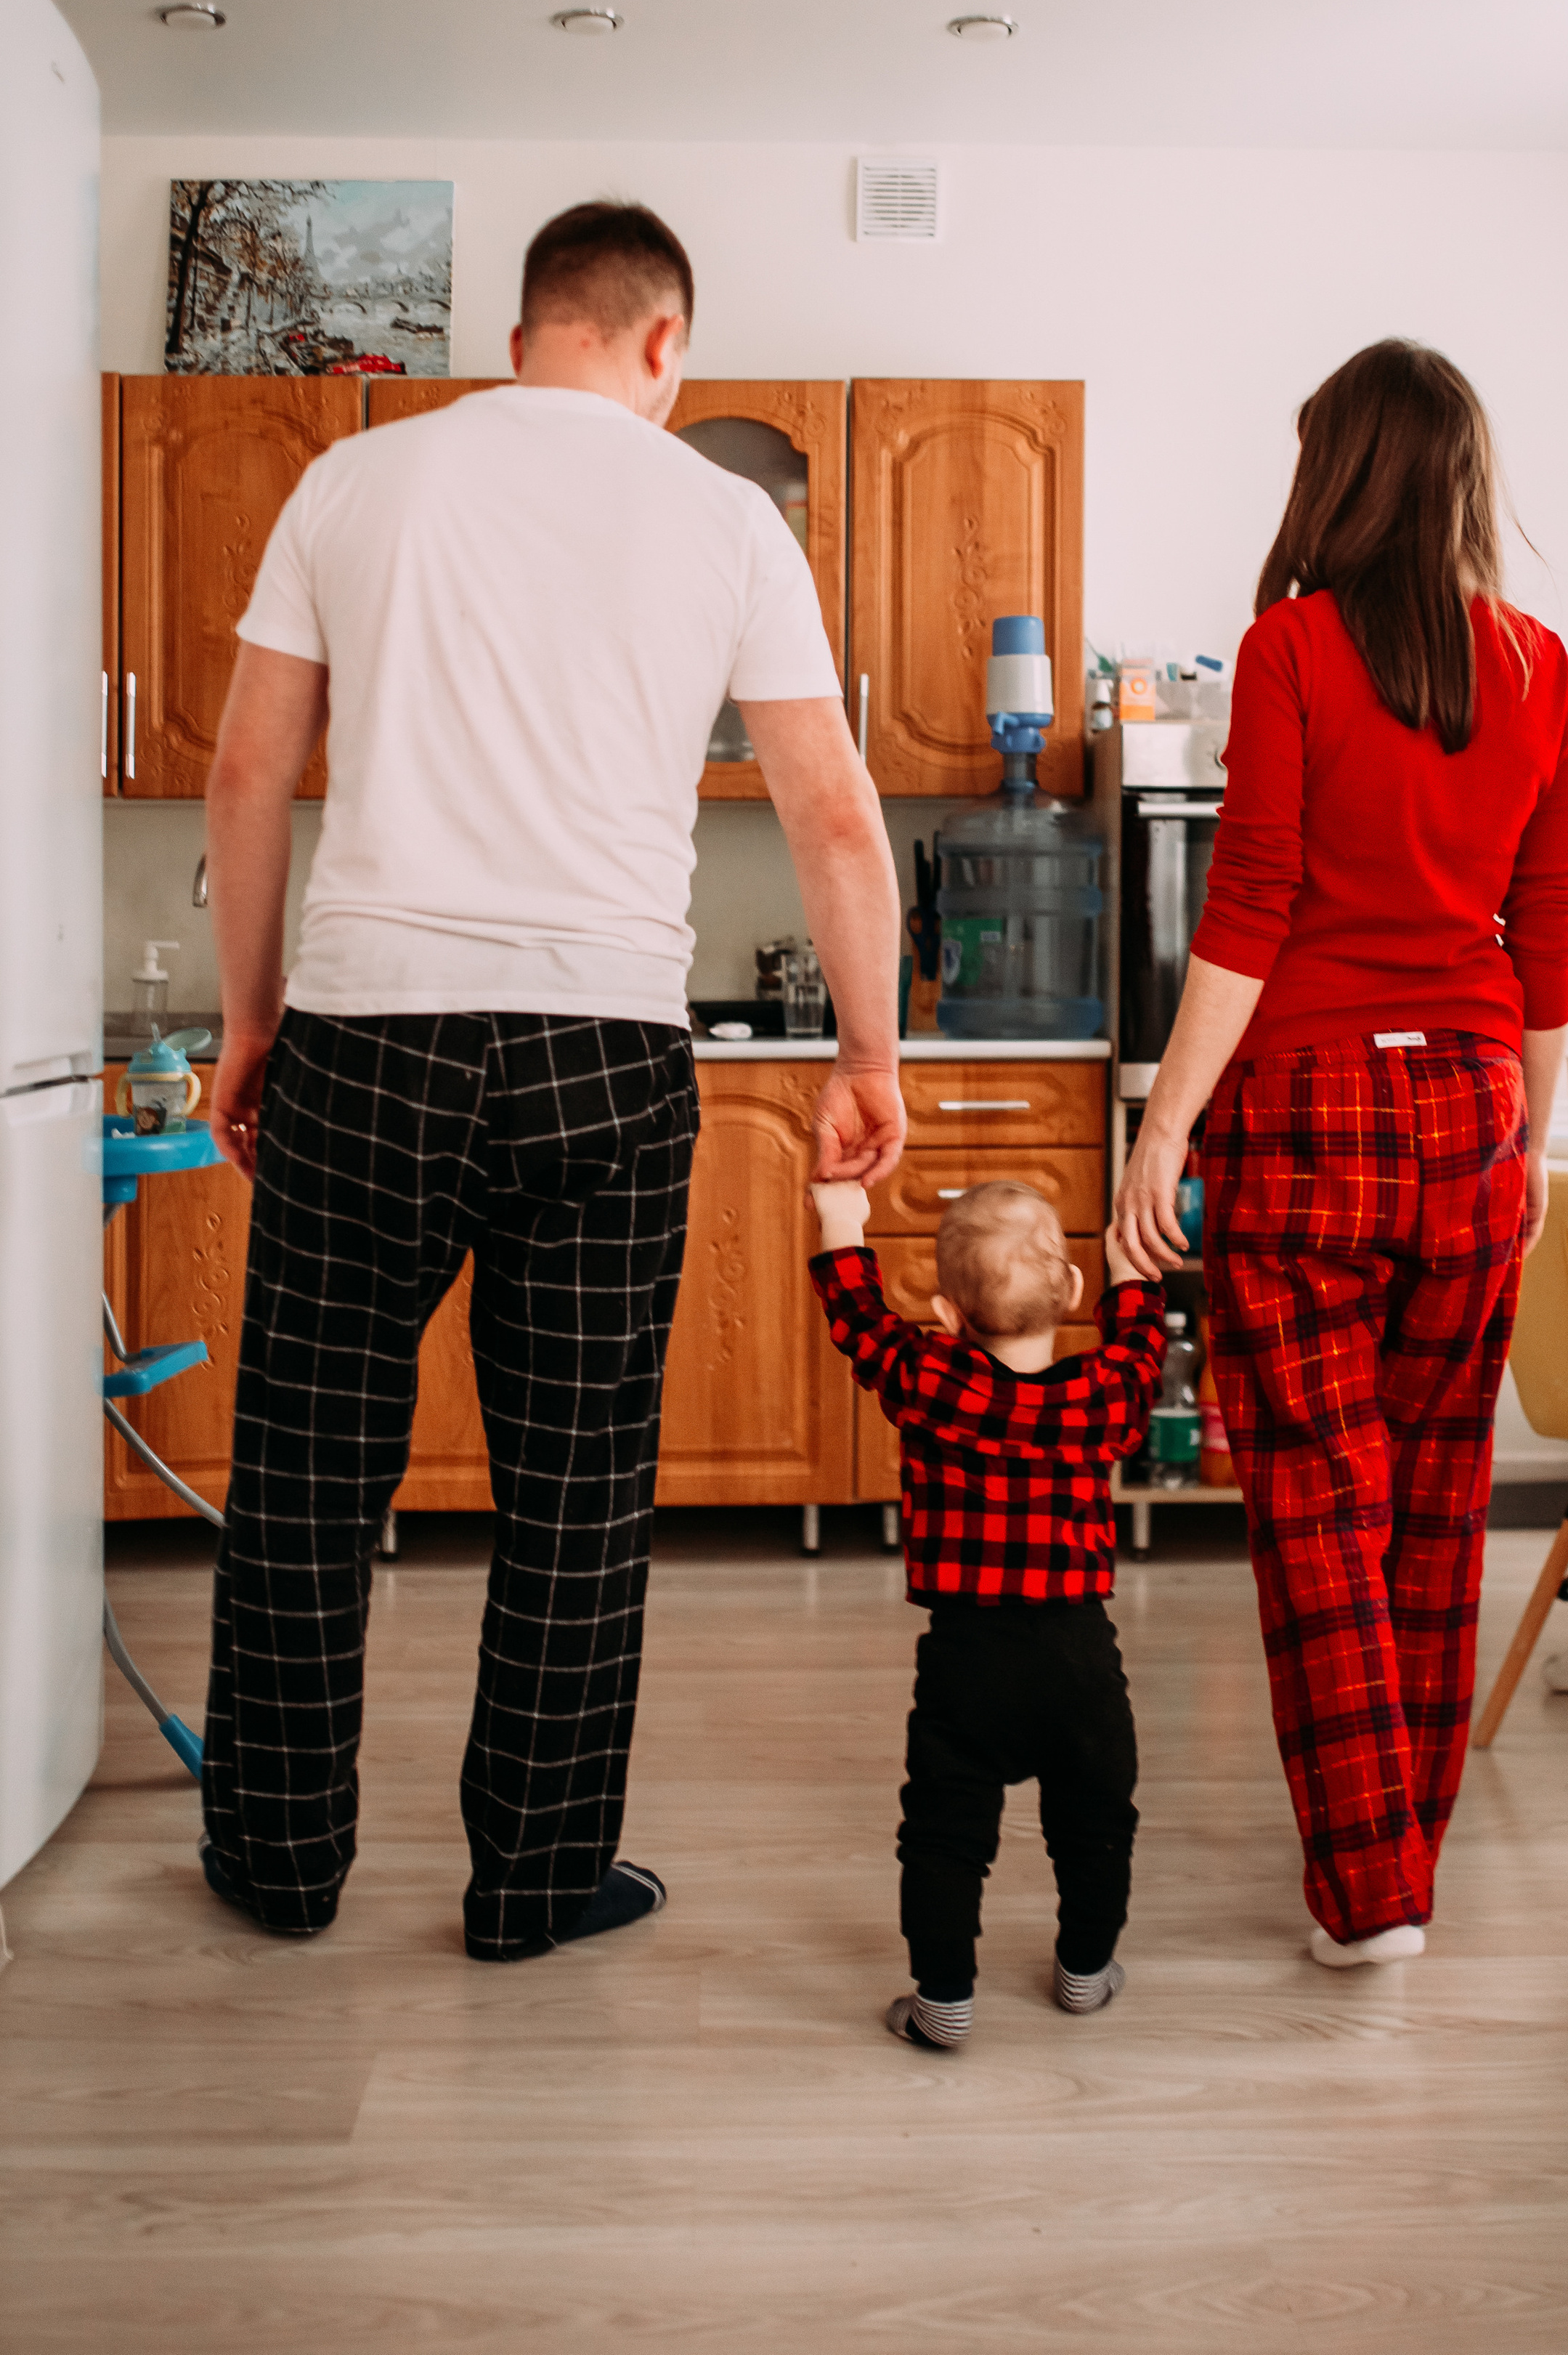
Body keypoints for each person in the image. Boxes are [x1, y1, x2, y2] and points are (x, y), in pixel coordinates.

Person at [200, 200, 906, 1961]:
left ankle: (281, 1865)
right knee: (577, 1491)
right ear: (662, 341)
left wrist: (251, 1019)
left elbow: (247, 768)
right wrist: (867, 1050)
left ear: (525, 329)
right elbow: (829, 809)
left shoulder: (358, 481)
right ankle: (528, 1884)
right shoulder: (726, 514)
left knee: (303, 1473)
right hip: (603, 1052)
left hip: (365, 1041)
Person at [1113, 339, 1568, 1971]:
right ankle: (1397, 1868)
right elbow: (1545, 936)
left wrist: (1162, 1123)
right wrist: (1533, 1136)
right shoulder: (1544, 671)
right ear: (1460, 479)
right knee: (1437, 1503)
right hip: (1466, 1111)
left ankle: (1369, 1889)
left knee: (1316, 1511)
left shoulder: (1289, 650)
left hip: (1305, 1112)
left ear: (1340, 475)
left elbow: (1244, 908)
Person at [808, 1178, 1166, 2048]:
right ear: (1070, 1293)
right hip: (1081, 1660)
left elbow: (859, 1322)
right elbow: (1143, 1351)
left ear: (944, 1310)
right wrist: (1130, 1277)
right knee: (1095, 1827)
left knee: (943, 1835)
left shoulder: (930, 1383)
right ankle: (1084, 1971)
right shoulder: (1101, 1400)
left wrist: (839, 1224)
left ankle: (944, 2001)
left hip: (965, 1659)